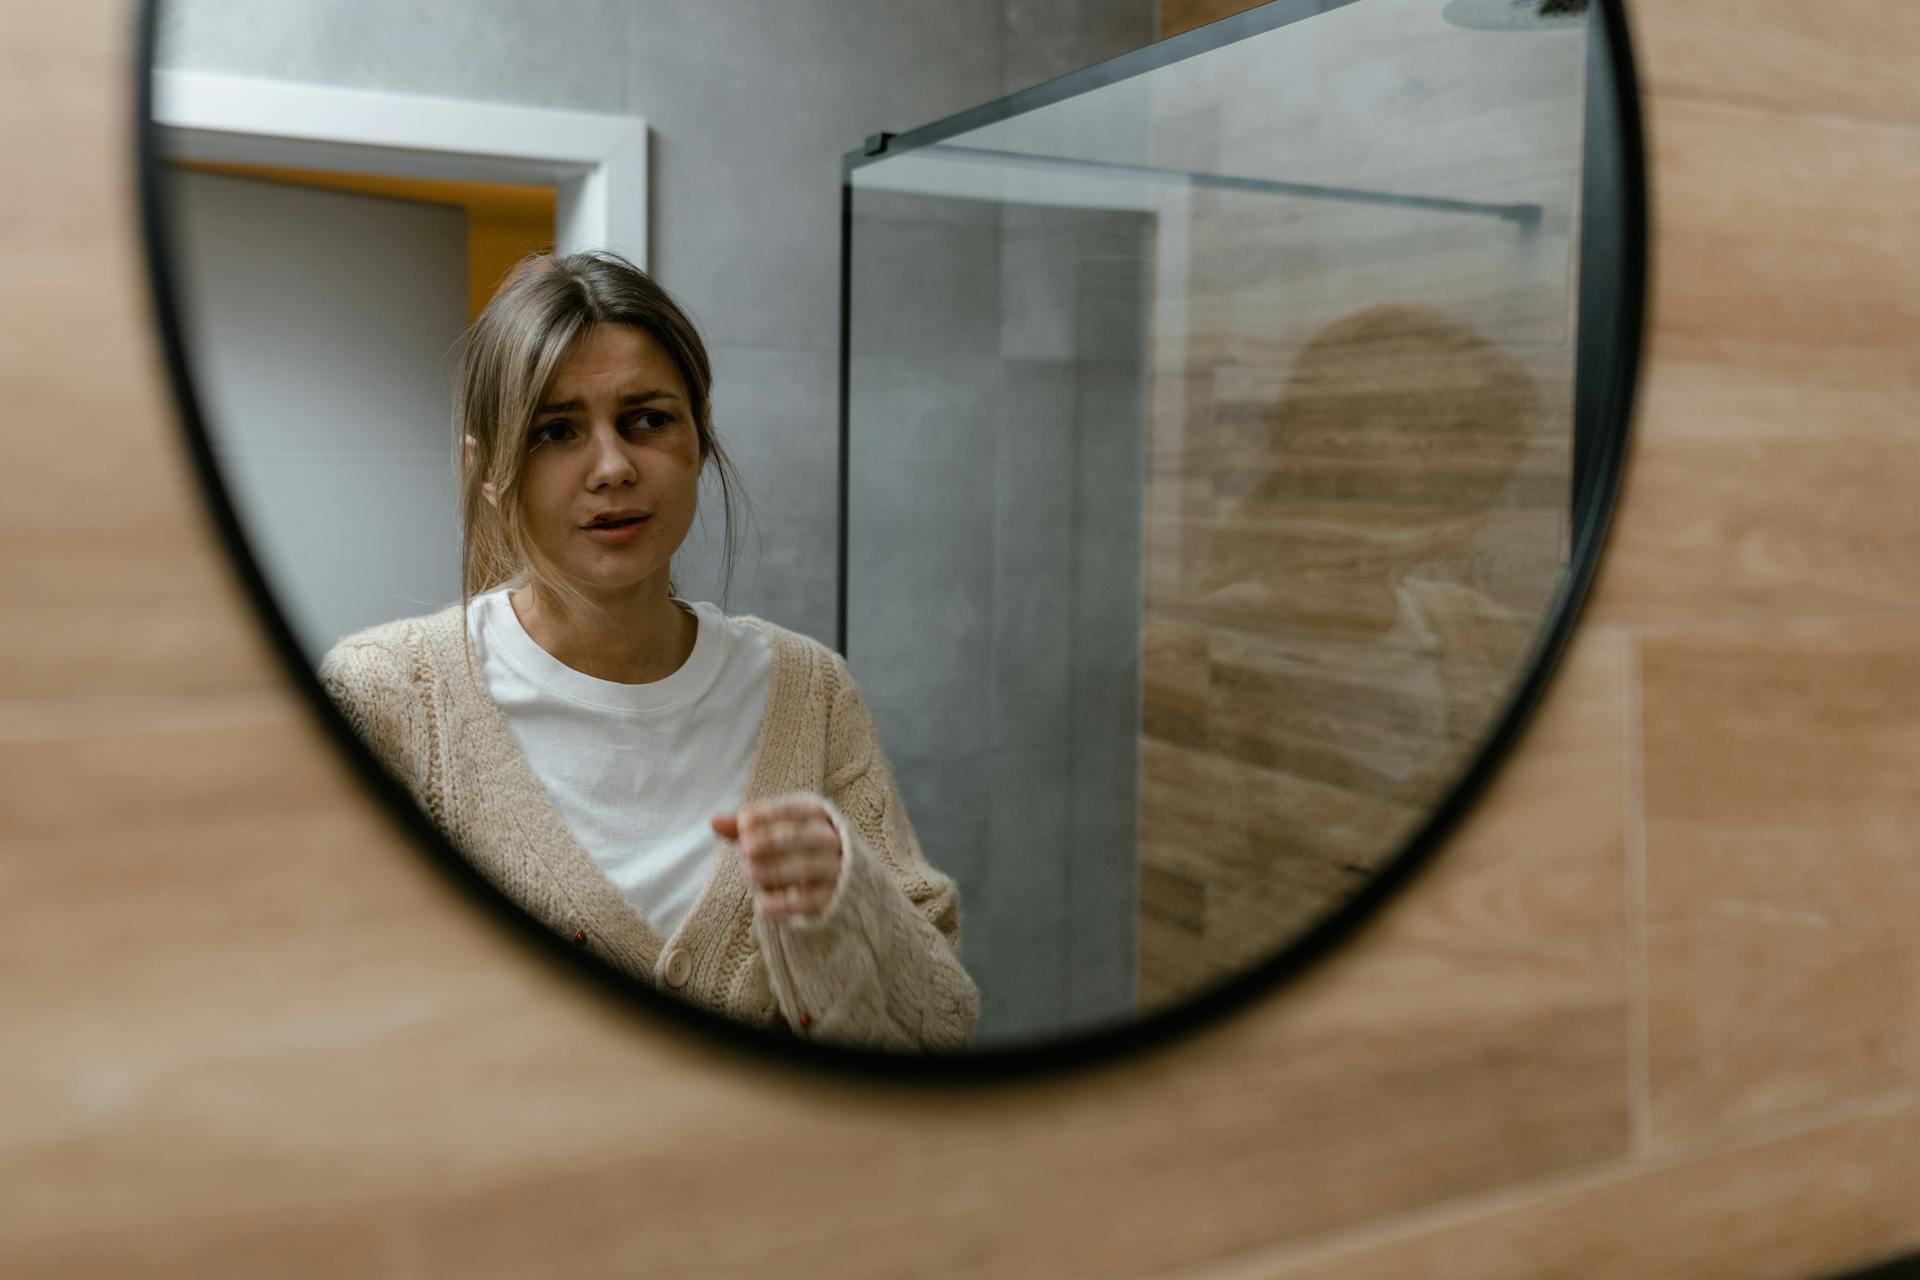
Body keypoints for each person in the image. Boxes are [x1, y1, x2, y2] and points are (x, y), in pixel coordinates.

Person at [317, 249, 978, 1052]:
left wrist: (849, 904)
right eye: (556, 432)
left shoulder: (811, 691)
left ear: (698, 439)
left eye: (647, 420)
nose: (613, 467)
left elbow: (942, 1031)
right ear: (487, 469)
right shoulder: (385, 696)